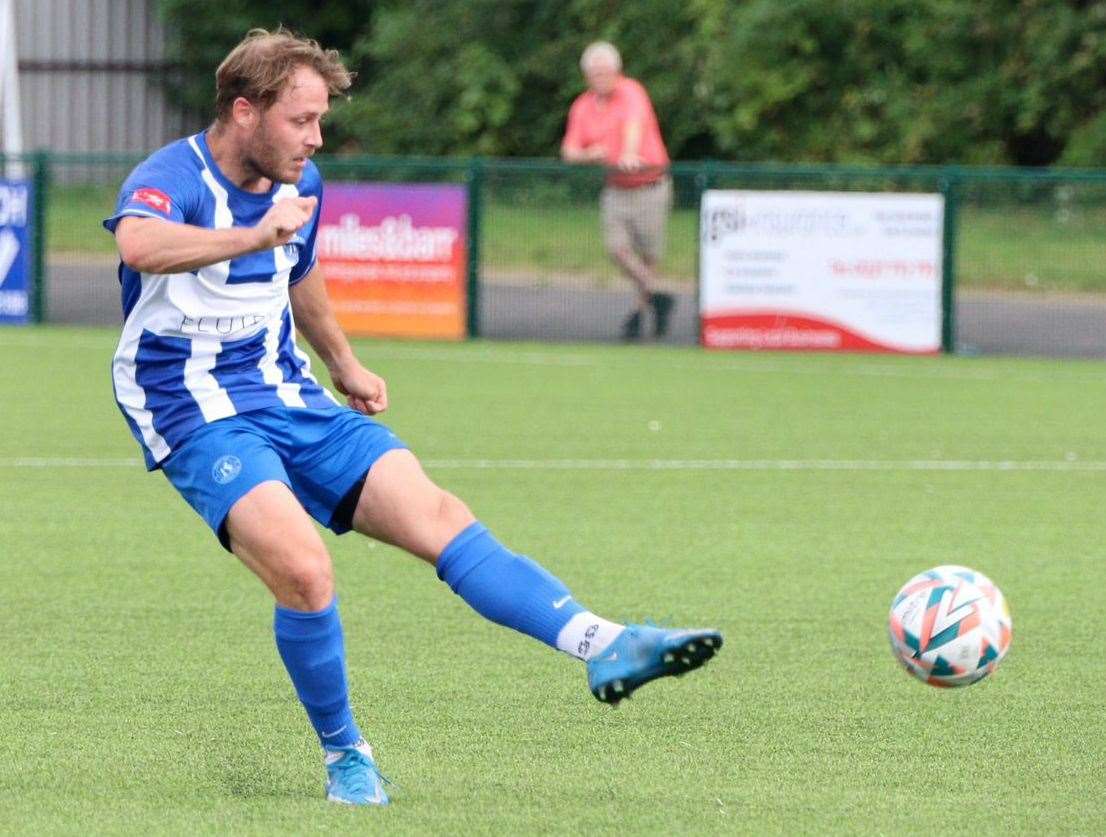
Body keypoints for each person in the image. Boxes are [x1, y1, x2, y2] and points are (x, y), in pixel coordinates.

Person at [104, 28, 722, 808]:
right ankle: (347, 756)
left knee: (439, 514)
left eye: (321, 119)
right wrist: (252, 233)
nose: (316, 138)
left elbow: (301, 273)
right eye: (301, 120)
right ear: (244, 110)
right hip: (190, 406)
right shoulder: (175, 176)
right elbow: (139, 243)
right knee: (304, 568)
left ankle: (602, 642)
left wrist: (343, 362)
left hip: (288, 393)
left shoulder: (305, 184)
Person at [561, 41, 675, 341]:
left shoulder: (631, 92)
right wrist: (589, 155)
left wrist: (629, 152)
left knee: (649, 255)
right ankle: (659, 293)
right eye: (594, 72)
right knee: (618, 249)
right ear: (587, 75)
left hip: (649, 185)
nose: (600, 76)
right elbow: (569, 150)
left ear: (617, 70)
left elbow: (634, 124)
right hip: (616, 189)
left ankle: (639, 314)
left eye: (605, 70)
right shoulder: (582, 106)